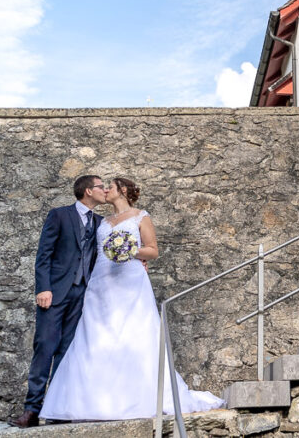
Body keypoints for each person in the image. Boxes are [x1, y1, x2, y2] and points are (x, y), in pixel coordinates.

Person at [39, 177, 224, 421]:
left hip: (130, 282)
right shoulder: (100, 221)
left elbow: (153, 249)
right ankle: (89, 403)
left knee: (134, 334)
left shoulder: (140, 216)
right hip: (100, 283)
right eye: (102, 187)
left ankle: (137, 398)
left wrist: (130, 251)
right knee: (95, 338)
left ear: (123, 191)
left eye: (110, 187)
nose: (106, 190)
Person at [9, 175, 106, 428]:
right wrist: (44, 288)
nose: (105, 190)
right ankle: (32, 410)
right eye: (100, 186)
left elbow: (107, 255)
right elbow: (44, 254)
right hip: (55, 293)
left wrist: (138, 258)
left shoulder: (101, 222)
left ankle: (57, 408)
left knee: (68, 351)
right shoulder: (60, 215)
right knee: (45, 346)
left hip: (82, 294)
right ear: (87, 191)